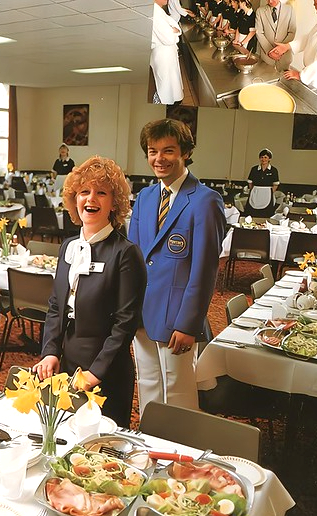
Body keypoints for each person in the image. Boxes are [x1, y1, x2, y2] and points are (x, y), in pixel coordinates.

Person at [33, 156, 147, 427]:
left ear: (114, 203)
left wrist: (95, 373)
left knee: (98, 451)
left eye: (101, 192)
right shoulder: (68, 247)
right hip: (67, 362)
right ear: (75, 199)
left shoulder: (126, 253)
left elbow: (125, 324)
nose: (90, 199)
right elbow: (55, 307)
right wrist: (50, 350)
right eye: (84, 191)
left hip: (105, 370)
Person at [128, 119, 226, 414]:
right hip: (143, 313)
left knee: (178, 392)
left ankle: (181, 456)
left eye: (168, 151)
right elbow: (133, 259)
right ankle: (150, 444)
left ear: (185, 152)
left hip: (177, 318)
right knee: (147, 384)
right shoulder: (145, 198)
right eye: (152, 151)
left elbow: (205, 270)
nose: (159, 159)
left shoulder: (205, 201)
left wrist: (189, 323)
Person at [151, 0, 183, 105]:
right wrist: (173, 32)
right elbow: (168, 39)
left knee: (172, 85)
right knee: (165, 87)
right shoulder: (154, 12)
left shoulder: (159, 11)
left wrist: (173, 31)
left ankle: (173, 101)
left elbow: (176, 27)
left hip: (167, 53)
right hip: (162, 55)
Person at [255, 0, 296, 69]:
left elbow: (292, 32)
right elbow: (259, 33)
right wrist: (269, 51)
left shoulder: (289, 10)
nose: (270, 1)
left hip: (284, 56)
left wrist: (280, 50)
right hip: (267, 57)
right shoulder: (260, 11)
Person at [244, 148, 279, 217]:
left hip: (267, 194)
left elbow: (275, 184)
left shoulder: (273, 170)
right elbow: (250, 183)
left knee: (266, 213)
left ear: (269, 159)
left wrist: (269, 192)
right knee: (252, 212)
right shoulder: (254, 169)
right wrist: (254, 190)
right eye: (262, 157)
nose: (263, 159)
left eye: (265, 157)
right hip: (255, 193)